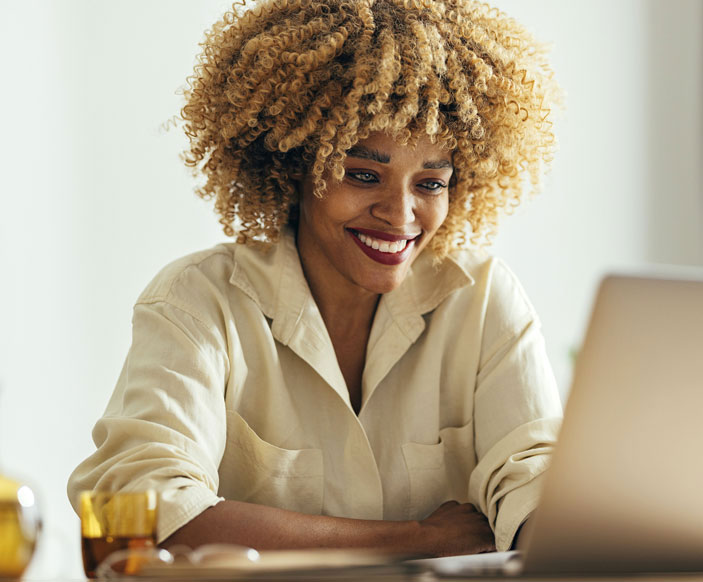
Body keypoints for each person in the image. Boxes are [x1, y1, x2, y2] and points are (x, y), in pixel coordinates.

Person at [67, 0, 563, 557]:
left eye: (429, 184)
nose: (400, 216)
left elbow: (535, 474)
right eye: (363, 175)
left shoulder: (483, 299)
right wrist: (408, 540)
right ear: (293, 163)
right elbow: (139, 510)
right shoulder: (199, 302)